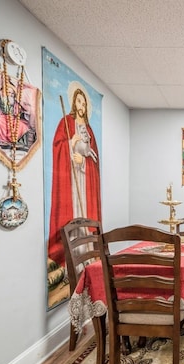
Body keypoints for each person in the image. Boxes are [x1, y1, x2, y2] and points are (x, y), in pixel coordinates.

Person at [47, 84, 102, 268]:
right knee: (74, 214)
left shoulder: (89, 130)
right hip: (71, 178)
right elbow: (58, 146)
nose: (81, 105)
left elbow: (93, 158)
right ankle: (74, 256)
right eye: (79, 101)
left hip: (84, 178)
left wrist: (83, 161)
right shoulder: (66, 123)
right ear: (74, 102)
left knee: (85, 213)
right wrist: (71, 143)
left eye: (84, 103)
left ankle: (87, 252)